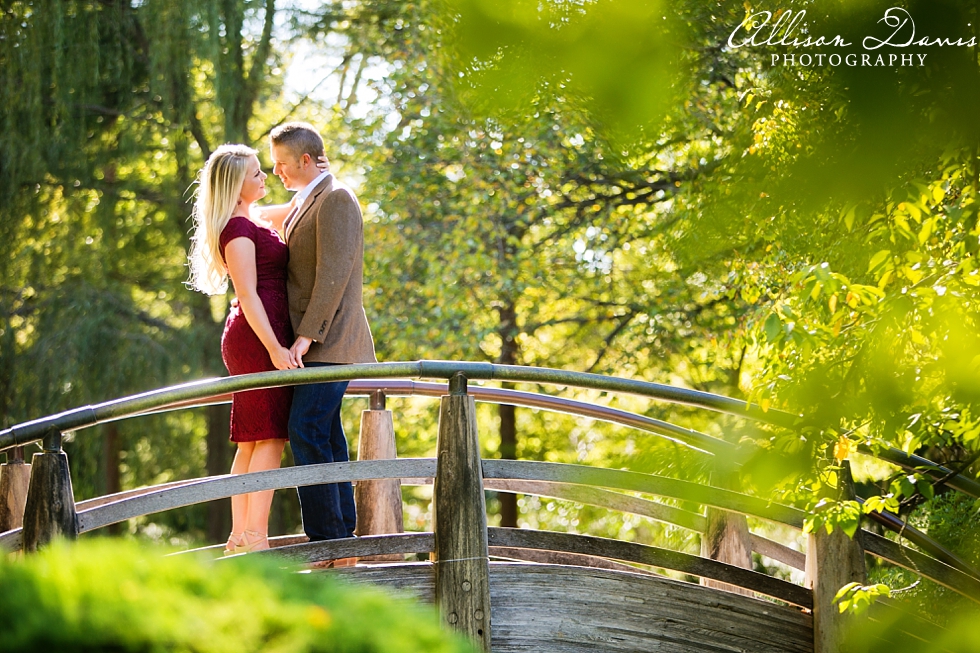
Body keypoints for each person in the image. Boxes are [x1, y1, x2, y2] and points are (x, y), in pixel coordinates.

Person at [269, 122, 377, 548]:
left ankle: (327, 539)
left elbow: (334, 275)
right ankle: (341, 533)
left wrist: (305, 337)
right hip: (318, 343)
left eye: (281, 164)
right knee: (326, 433)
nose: (276, 171)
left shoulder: (336, 199)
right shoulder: (306, 200)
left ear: (307, 160)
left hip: (331, 342)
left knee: (306, 429)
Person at [187, 144, 298, 555]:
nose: (265, 176)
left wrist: (317, 174)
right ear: (236, 185)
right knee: (268, 437)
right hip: (256, 338)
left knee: (253, 440)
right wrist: (274, 348)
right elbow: (248, 294)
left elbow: (299, 206)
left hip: (260, 335)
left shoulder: (251, 217)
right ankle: (255, 538)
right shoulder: (237, 228)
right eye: (256, 173)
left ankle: (240, 536)